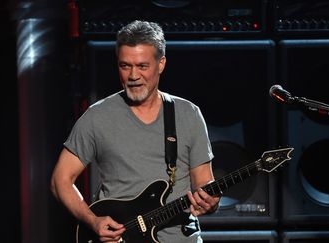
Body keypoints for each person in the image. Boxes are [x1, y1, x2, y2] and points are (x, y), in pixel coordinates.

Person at [50, 20, 220, 243]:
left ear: (161, 64)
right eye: (125, 66)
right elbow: (60, 181)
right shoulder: (97, 117)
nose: (133, 76)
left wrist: (211, 201)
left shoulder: (188, 114)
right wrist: (92, 221)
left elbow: (204, 183)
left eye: (142, 66)